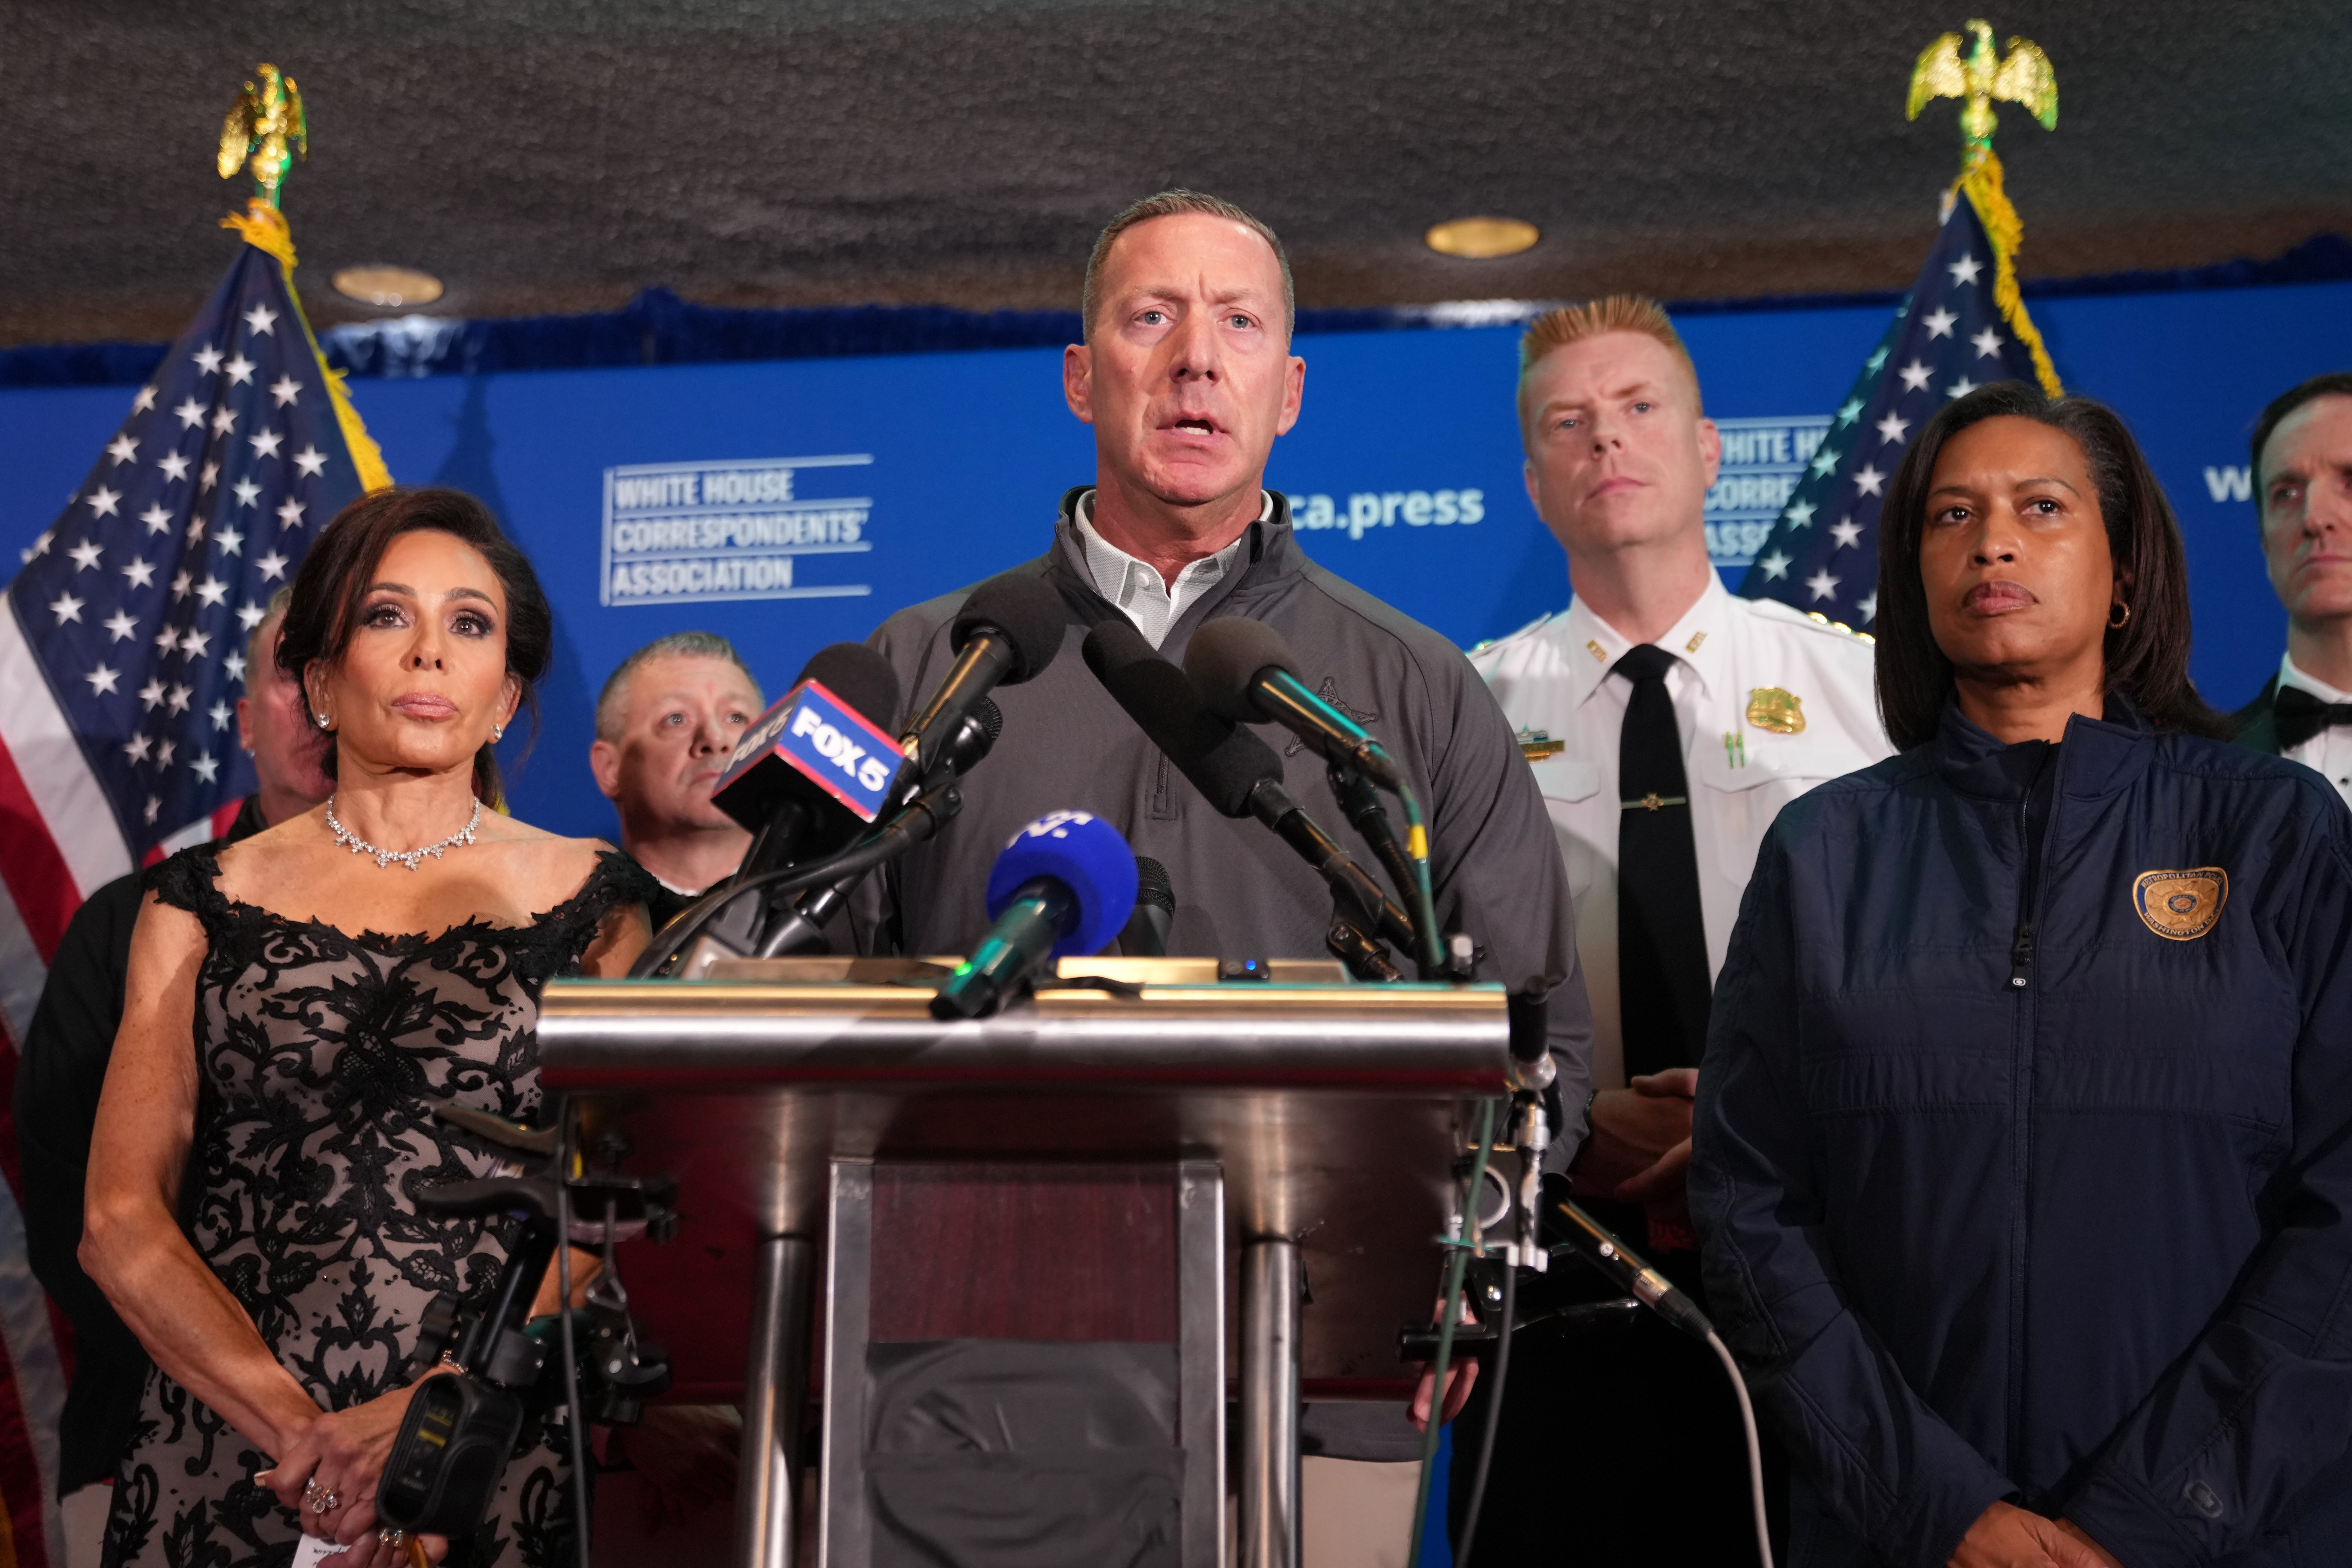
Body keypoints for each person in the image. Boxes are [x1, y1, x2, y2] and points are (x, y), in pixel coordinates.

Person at [855, 189, 1592, 1566]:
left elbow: (1537, 1034)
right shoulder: (920, 667)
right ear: (1084, 375)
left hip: (1326, 1370)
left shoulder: (1415, 692)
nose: (1196, 357)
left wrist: (1458, 1283)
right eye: (1151, 318)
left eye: (1237, 324)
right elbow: (800, 995)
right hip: (973, 1373)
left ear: (1288, 389)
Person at [1692, 381, 2352, 1566]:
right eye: (1949, 516)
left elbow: (2342, 1212)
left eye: (2039, 507)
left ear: (2127, 573)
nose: (1991, 539)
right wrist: (1936, 1507)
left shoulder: (2275, 834)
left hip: (2224, 1537)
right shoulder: (1823, 853)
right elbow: (1748, 1213)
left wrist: (2152, 1515)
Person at [80, 488, 657, 1568]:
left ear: (506, 697)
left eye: (470, 624)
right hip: (237, 1469)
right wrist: (316, 1448)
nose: (431, 652)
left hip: (489, 1459)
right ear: (319, 682)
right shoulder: (194, 901)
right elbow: (119, 1221)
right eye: (389, 616)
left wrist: (439, 1422)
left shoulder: (604, 904)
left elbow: (617, 1201)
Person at [1456, 294, 1889, 1559]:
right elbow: (1434, 990)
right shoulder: (1465, 715)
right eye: (1567, 423)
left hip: (1824, 1255)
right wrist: (1571, 1125)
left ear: (1706, 449)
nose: (1606, 442)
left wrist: (1757, 1115)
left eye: (1640, 409)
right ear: (1534, 481)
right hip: (1561, 1263)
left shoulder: (1861, 692)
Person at [18, 587, 332, 1566]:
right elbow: (75, 1221)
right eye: (291, 670)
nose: (320, 703)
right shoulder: (125, 928)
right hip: (151, 1448)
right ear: (243, 719)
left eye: (341, 668)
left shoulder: (495, 935)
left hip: (415, 1456)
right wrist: (266, 1403)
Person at [589, 630, 765, 928]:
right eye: (676, 719)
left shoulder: (842, 906)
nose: (715, 739)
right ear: (610, 768)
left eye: (736, 717)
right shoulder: (569, 924)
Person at [2229, 372, 2352, 793]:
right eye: (2287, 493)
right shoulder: (2193, 766)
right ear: (2263, 542)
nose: (2315, 518)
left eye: (2351, 482)